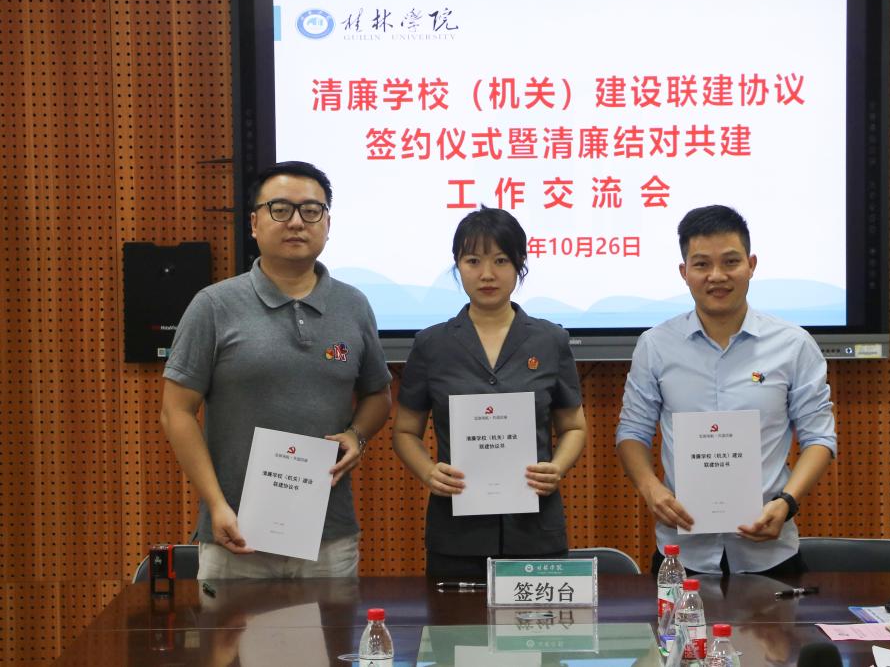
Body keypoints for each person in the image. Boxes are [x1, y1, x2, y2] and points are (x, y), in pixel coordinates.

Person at [160, 161, 392, 579]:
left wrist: (357, 435)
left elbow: (378, 394)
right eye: (280, 209)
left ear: (327, 224)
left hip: (328, 537)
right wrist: (216, 505)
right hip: (236, 534)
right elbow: (176, 411)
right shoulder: (213, 306)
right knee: (231, 628)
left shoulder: (354, 305)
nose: (297, 222)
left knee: (332, 627)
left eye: (311, 211)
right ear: (254, 223)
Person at [615, 204, 836, 576]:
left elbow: (820, 438)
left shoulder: (794, 345)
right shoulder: (656, 345)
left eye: (730, 262)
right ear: (684, 272)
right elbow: (632, 432)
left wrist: (787, 501)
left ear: (751, 265)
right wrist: (651, 489)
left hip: (770, 554)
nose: (717, 276)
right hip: (681, 554)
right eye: (702, 264)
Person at [391, 206, 588, 579]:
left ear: (519, 264)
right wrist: (429, 472)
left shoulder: (550, 340)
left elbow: (574, 426)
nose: (487, 274)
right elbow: (404, 431)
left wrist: (557, 468)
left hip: (535, 529)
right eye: (473, 261)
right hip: (456, 534)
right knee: (454, 620)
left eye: (500, 260)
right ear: (457, 265)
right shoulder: (431, 344)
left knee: (541, 620)